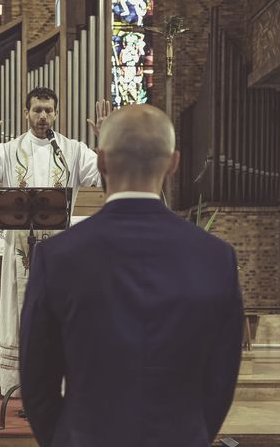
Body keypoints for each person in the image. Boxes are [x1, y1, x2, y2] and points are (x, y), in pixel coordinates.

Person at [20, 104, 244, 447]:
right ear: (173, 163)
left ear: (101, 161)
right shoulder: (216, 258)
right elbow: (221, 378)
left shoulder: (56, 256)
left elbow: (37, 379)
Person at [0, 86, 106, 395]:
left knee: (58, 313)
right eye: (37, 110)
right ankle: (23, 386)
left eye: (48, 110)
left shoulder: (74, 150)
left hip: (61, 251)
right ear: (26, 112)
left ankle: (59, 382)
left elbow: (108, 178)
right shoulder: (9, 150)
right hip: (21, 250)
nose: (42, 116)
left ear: (56, 113)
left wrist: (105, 144)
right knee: (23, 313)